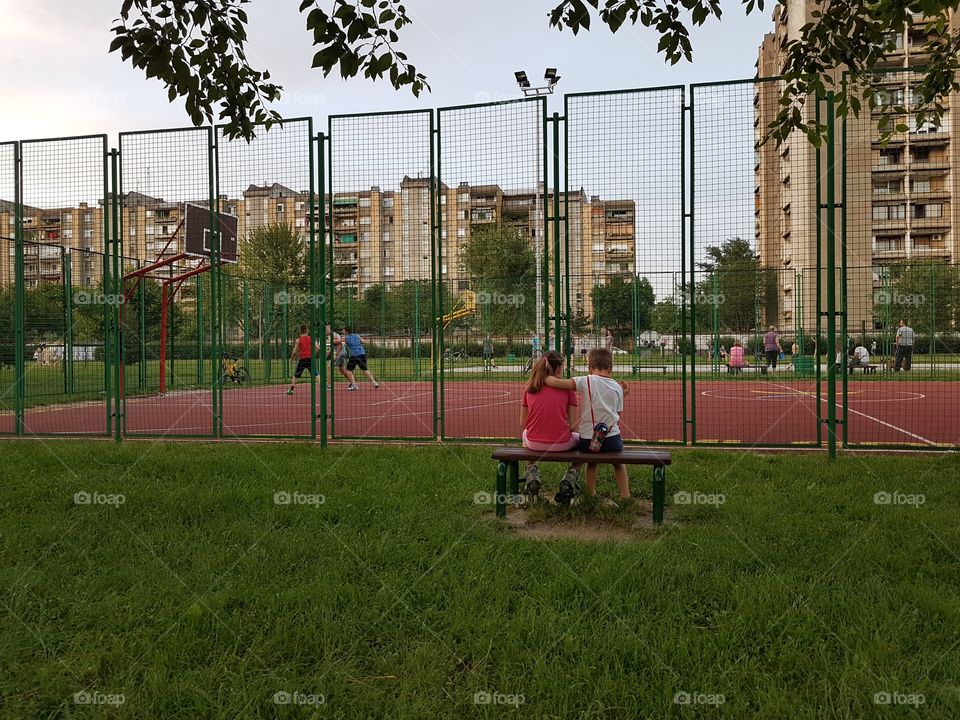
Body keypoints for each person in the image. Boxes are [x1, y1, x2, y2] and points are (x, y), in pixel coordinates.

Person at [544, 347, 629, 504]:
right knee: (619, 463)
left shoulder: (586, 380)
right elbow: (617, 415)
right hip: (611, 440)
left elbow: (557, 383)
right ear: (611, 368)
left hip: (588, 440)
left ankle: (591, 493)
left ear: (590, 368)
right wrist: (623, 394)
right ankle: (625, 495)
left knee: (591, 462)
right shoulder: (617, 387)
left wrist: (544, 377)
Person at [519, 351, 580, 497]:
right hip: (562, 443)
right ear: (558, 368)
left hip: (534, 443)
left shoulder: (530, 389)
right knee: (581, 440)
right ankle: (571, 475)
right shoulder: (568, 390)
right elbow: (573, 426)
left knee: (524, 435)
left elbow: (523, 423)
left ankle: (531, 472)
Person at [287, 324, 319, 396]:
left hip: (302, 359)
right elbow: (317, 348)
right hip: (310, 358)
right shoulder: (311, 338)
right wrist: (313, 354)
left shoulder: (298, 340)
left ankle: (291, 390)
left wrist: (291, 358)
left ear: (300, 331)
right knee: (316, 373)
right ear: (307, 330)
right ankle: (323, 388)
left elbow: (295, 350)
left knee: (296, 375)